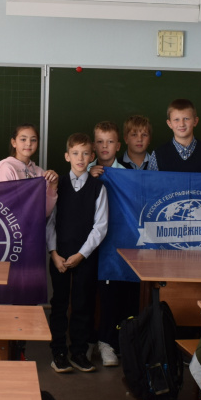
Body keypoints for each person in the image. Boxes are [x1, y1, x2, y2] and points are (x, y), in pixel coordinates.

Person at [46, 133, 108, 374]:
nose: (80, 158)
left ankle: (79, 352)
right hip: (60, 256)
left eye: (85, 154)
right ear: (67, 156)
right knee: (59, 304)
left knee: (83, 303)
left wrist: (82, 254)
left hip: (85, 256)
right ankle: (58, 352)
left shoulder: (98, 188)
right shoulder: (57, 185)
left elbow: (100, 227)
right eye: (75, 153)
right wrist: (54, 253)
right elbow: (49, 222)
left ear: (92, 157)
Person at [88, 120, 129, 367]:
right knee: (87, 294)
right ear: (93, 145)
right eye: (100, 142)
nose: (105, 146)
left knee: (111, 295)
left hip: (115, 242)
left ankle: (107, 342)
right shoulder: (84, 168)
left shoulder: (127, 174)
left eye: (110, 142)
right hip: (88, 243)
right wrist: (88, 178)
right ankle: (87, 341)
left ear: (118, 146)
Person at [0, 123, 58, 216]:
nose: (28, 143)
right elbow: (4, 205)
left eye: (33, 140)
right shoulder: (7, 168)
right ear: (14, 142)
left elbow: (45, 211)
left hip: (35, 224)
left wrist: (53, 185)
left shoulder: (41, 172)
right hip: (14, 223)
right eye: (23, 139)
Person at [155, 98, 201, 172]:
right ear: (169, 124)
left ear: (195, 121)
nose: (182, 124)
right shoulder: (157, 155)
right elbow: (149, 179)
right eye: (176, 119)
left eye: (186, 119)